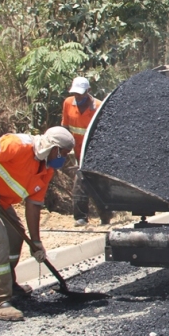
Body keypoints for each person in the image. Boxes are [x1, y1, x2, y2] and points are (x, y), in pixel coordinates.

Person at [0, 127, 74, 321]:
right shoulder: (19, 145)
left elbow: (33, 205)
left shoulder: (47, 169)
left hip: (0, 200)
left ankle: (9, 284)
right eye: (63, 153)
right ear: (54, 148)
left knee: (15, 237)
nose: (64, 158)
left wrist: (36, 242)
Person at [62, 77, 111, 226]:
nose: (78, 97)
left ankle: (104, 215)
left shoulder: (98, 107)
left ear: (88, 91)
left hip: (94, 152)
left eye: (81, 94)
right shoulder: (68, 103)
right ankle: (81, 217)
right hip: (78, 152)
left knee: (93, 183)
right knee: (81, 182)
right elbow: (65, 127)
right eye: (75, 93)